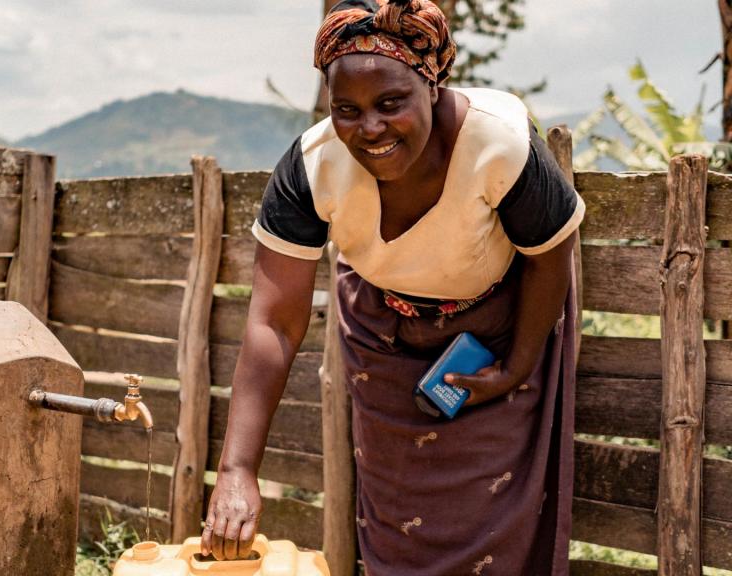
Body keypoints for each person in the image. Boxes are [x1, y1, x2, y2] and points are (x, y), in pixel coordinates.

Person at [200, 0, 582, 574]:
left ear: (431, 83)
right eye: (346, 110)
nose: (370, 128)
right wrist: (236, 471)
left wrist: (516, 368)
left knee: (500, 516)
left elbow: (550, 260)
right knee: (395, 515)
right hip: (383, 335)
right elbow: (274, 323)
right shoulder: (311, 168)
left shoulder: (498, 143)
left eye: (390, 103)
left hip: (500, 326)